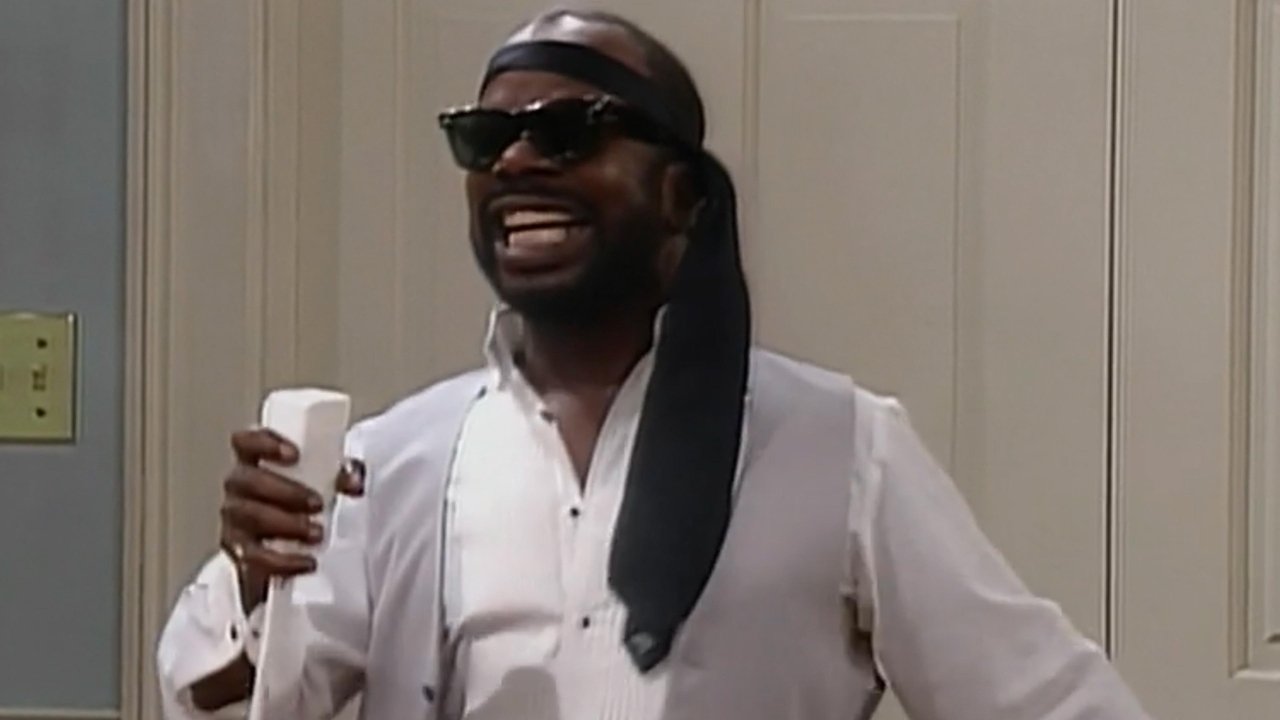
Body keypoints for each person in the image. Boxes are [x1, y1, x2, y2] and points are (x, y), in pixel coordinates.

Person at [156, 8, 1152, 720]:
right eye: (485, 138)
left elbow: (1050, 702)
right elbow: (215, 702)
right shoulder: (387, 466)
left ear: (680, 194)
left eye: (565, 133)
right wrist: (253, 581)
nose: (514, 163)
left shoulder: (841, 447)